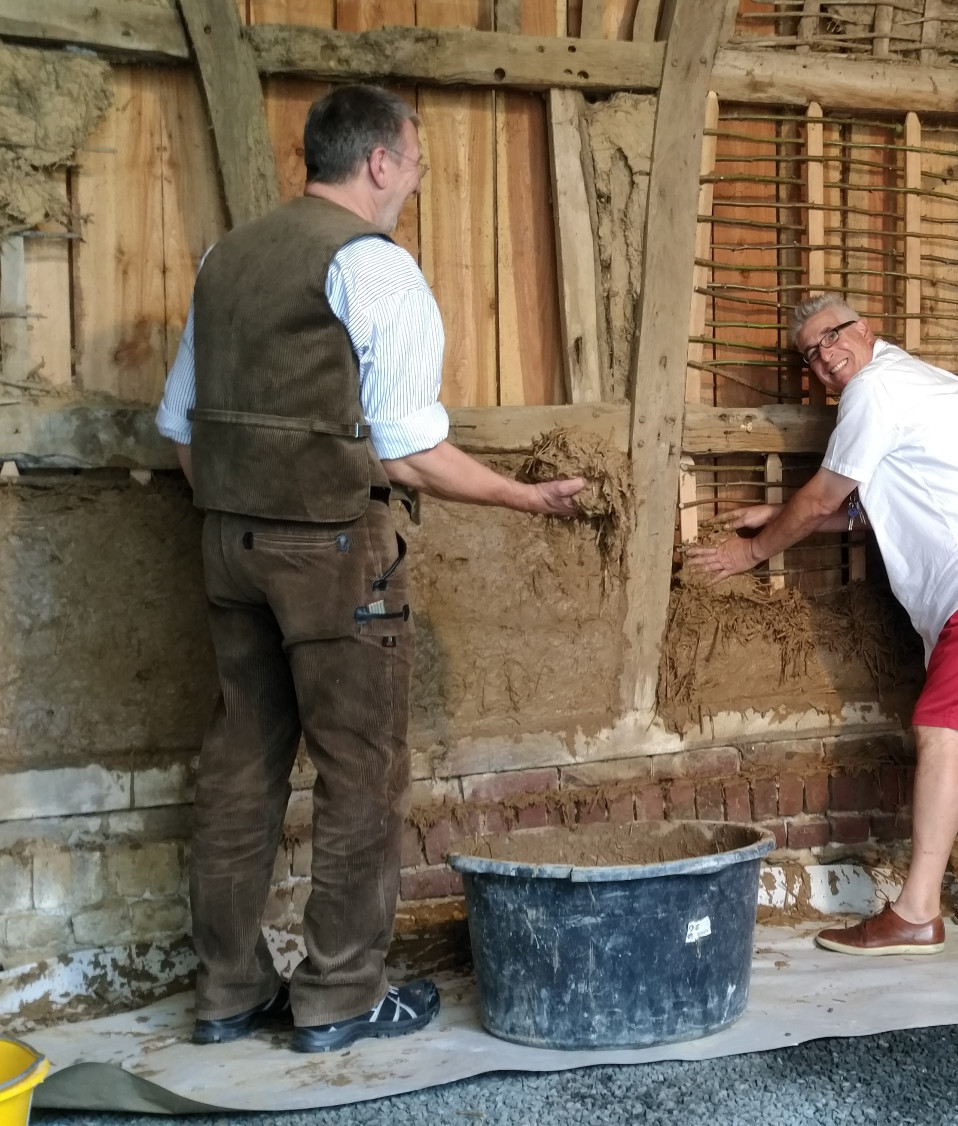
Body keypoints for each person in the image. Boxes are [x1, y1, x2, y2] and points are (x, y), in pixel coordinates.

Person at [154, 84, 585, 1053]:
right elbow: (409, 451)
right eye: (416, 163)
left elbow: (181, 428)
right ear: (380, 161)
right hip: (334, 553)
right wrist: (523, 497)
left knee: (240, 765)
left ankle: (226, 991)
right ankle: (340, 994)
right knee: (361, 770)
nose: (418, 181)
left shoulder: (230, 258)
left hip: (227, 544)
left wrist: (242, 509)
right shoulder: (374, 269)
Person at [686, 295, 958, 955]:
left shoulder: (874, 389)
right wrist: (783, 515)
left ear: (865, 327)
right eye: (811, 354)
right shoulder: (914, 383)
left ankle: (915, 912)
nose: (824, 357)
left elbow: (824, 495)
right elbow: (875, 503)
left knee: (939, 729)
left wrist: (750, 552)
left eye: (831, 337)